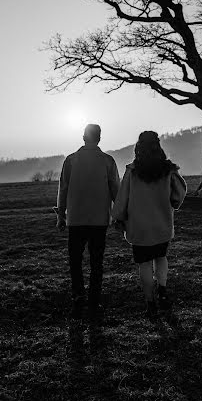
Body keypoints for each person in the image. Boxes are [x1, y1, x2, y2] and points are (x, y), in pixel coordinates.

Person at [112, 131, 186, 320]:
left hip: (139, 228)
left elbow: (122, 198)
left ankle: (150, 303)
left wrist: (118, 218)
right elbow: (180, 192)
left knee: (144, 263)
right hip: (162, 225)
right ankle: (162, 290)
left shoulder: (132, 170)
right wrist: (174, 203)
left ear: (139, 147)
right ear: (158, 145)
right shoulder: (168, 169)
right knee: (161, 257)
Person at [56, 123, 120, 319]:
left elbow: (63, 189)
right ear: (99, 138)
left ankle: (77, 299)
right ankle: (94, 302)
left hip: (75, 219)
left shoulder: (71, 160)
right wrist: (118, 216)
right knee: (96, 262)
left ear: (83, 137)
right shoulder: (108, 161)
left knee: (75, 261)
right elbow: (116, 190)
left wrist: (61, 215)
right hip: (99, 219)